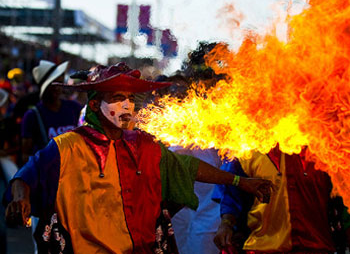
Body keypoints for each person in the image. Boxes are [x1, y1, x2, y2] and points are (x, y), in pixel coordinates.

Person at [4, 63, 273, 253]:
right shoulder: (68, 146)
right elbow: (25, 176)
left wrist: (240, 181)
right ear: (96, 105)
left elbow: (188, 167)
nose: (127, 106)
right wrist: (20, 198)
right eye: (117, 98)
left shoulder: (142, 144)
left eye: (130, 99)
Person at [213, 146, 350, 254]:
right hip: (262, 248)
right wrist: (226, 224)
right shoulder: (247, 148)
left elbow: (348, 206)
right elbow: (231, 196)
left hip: (317, 248)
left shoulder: (324, 148)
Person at [21, 60, 82, 164]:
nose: (57, 88)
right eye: (52, 84)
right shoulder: (32, 116)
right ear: (44, 87)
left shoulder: (74, 108)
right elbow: (25, 155)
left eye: (59, 82)